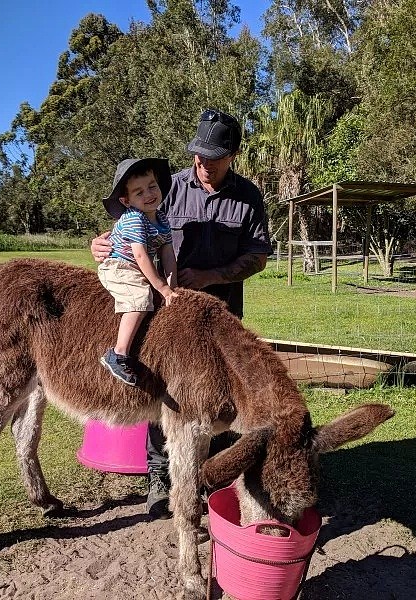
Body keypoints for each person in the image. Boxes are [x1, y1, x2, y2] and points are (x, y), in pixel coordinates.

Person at [92, 109, 272, 518]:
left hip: (220, 315)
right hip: (166, 311)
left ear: (233, 155)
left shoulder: (248, 198)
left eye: (213, 156)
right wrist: (100, 244)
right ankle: (160, 477)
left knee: (220, 399)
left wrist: (211, 275)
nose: (202, 163)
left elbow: (258, 257)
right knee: (166, 390)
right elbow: (128, 226)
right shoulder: (167, 186)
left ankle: (213, 476)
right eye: (197, 154)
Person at [97, 158, 179, 386]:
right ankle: (118, 353)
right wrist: (161, 286)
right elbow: (141, 255)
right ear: (126, 200)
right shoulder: (134, 218)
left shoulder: (162, 219)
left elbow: (168, 255)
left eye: (152, 186)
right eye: (139, 192)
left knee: (155, 295)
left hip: (135, 266)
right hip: (118, 265)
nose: (149, 194)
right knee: (139, 298)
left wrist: (172, 288)